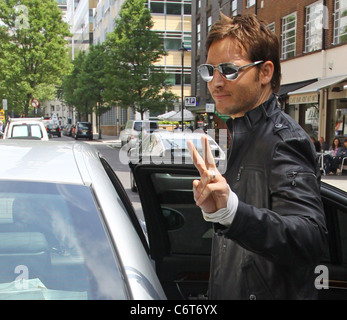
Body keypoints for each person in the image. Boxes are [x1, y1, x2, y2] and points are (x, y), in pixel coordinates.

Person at [187, 13, 327, 300]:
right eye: (209, 70)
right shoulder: (243, 133)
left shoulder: (284, 141)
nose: (215, 82)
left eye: (229, 70)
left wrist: (234, 213)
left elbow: (309, 237)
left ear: (265, 73)